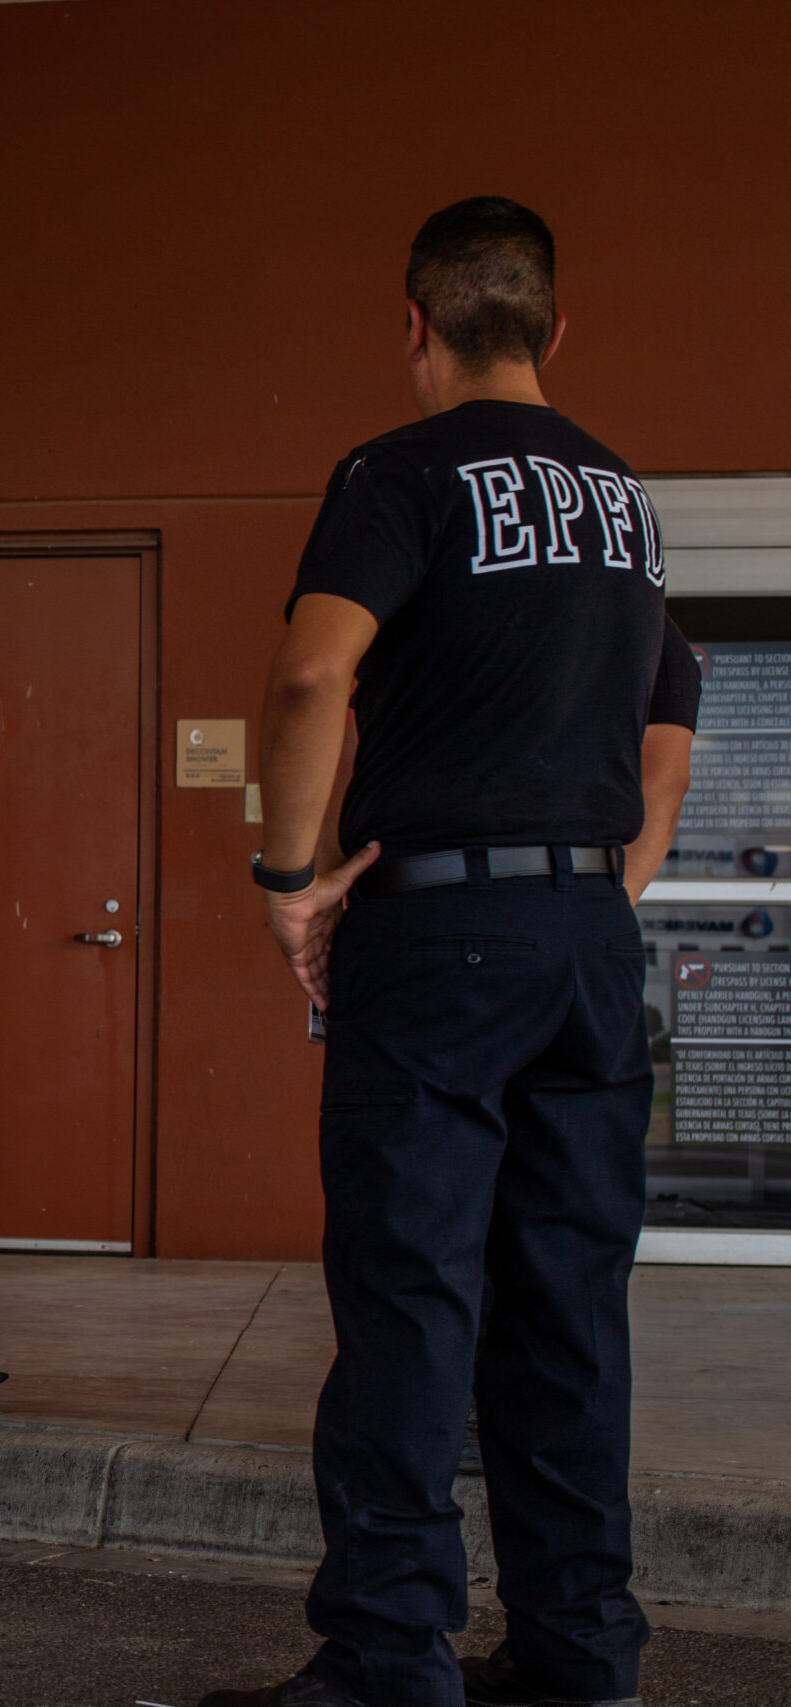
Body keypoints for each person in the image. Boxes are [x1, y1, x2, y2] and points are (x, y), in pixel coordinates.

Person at [202, 199, 701, 1707]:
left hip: (441, 934)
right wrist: (601, 888)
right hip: (586, 943)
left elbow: (308, 673)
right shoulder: (626, 503)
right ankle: (578, 1654)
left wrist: (292, 881)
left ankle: (387, 1658)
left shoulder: (399, 473)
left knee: (413, 1298)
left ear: (413, 325)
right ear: (556, 328)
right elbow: (667, 733)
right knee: (566, 1309)